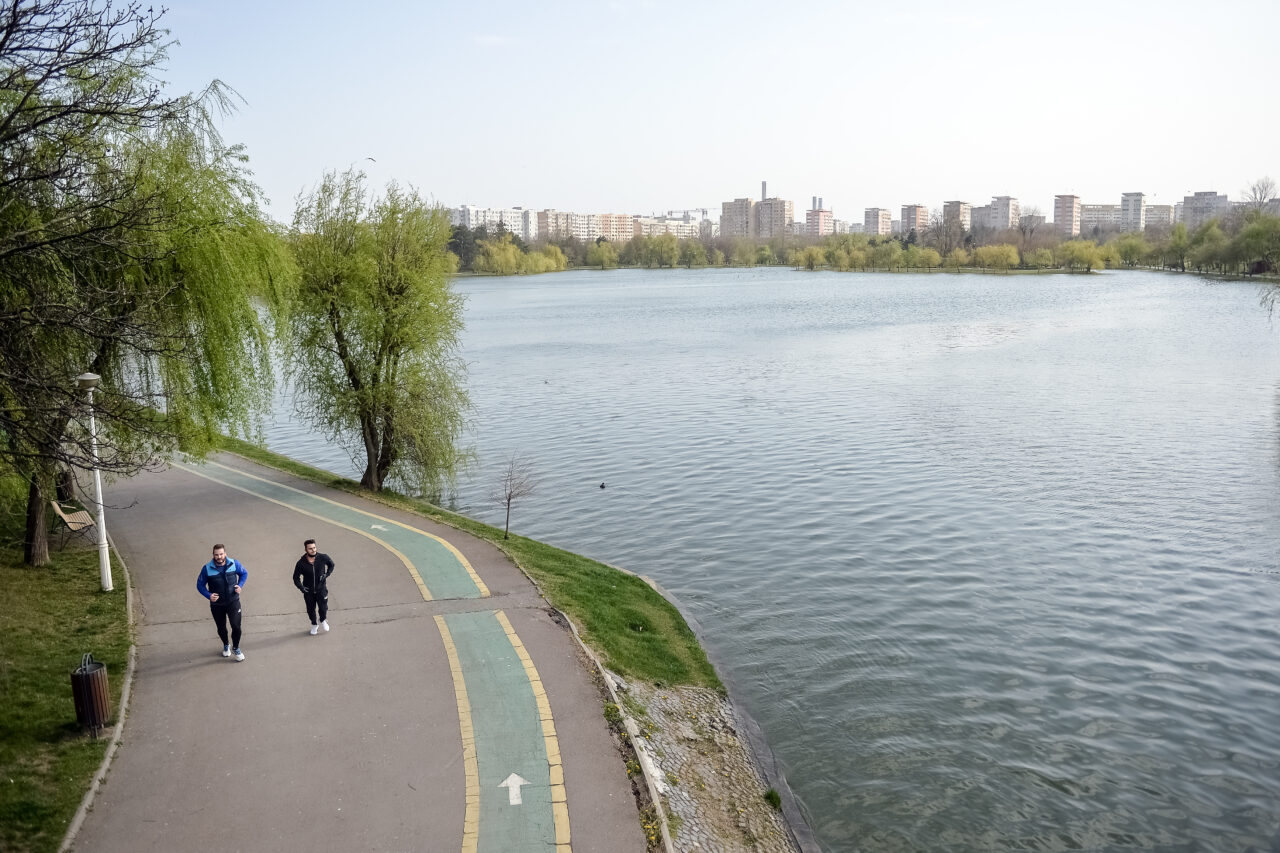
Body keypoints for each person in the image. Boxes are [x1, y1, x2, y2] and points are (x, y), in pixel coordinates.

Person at [196, 544, 248, 661]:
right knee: (221, 627)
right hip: (217, 605)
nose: (219, 557)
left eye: (221, 554)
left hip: (233, 601)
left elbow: (244, 573)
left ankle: (236, 648)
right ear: (213, 555)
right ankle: (226, 645)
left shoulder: (234, 563)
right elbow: (199, 585)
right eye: (216, 554)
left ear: (225, 553)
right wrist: (208, 595)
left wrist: (240, 586)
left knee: (236, 626)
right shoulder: (207, 568)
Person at [293, 538, 335, 635]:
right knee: (310, 609)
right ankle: (314, 624)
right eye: (310, 548)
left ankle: (323, 620)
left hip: (321, 589)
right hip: (308, 591)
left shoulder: (323, 557)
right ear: (306, 550)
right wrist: (302, 588)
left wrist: (327, 574)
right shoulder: (301, 563)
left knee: (323, 607)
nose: (313, 550)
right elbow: (295, 578)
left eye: (314, 547)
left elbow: (332, 565)